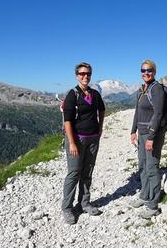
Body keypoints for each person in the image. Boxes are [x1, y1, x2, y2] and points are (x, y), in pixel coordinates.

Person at [61, 62, 106, 225]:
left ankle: (84, 203)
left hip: (93, 138)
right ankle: (67, 208)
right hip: (77, 139)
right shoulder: (72, 95)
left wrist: (100, 128)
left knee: (87, 171)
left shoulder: (94, 94)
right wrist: (72, 143)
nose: (85, 76)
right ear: (76, 75)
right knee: (73, 173)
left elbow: (102, 109)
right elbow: (67, 121)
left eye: (88, 73)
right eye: (82, 73)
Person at [130, 59, 167, 219]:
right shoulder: (142, 90)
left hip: (153, 134)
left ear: (154, 72)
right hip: (142, 133)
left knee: (152, 168)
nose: (146, 73)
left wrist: (151, 137)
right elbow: (137, 112)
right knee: (143, 166)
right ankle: (144, 196)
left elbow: (158, 114)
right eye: (143, 70)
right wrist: (133, 131)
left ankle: (153, 204)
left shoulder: (156, 89)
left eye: (149, 70)